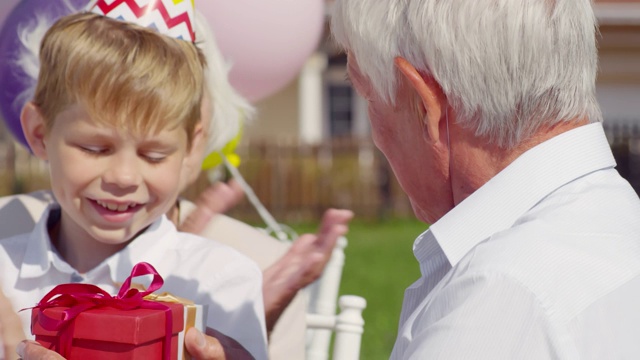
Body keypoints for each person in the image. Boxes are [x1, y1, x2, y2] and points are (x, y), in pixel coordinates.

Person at [0, 6, 353, 360]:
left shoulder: (219, 282)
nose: (124, 177)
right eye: (95, 148)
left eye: (154, 155)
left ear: (191, 148)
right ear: (39, 132)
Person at [331, 0, 640, 358]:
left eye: (368, 96)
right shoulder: (622, 223)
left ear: (423, 105)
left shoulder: (495, 306)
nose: (375, 134)